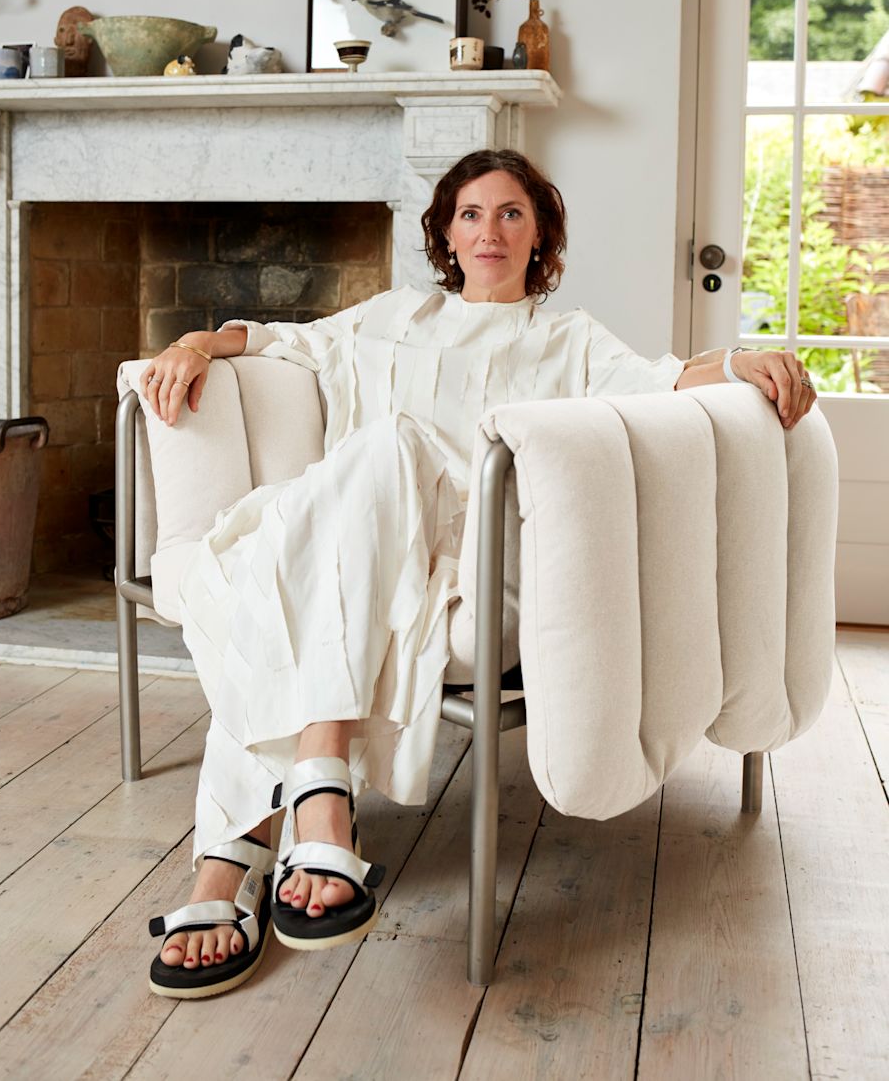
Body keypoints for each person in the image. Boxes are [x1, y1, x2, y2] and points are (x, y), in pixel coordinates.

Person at [139, 148, 817, 998]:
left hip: (463, 558)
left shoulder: (566, 340)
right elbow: (279, 342)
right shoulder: (388, 317)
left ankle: (227, 868)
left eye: (510, 215)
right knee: (344, 506)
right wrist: (194, 343)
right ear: (446, 235)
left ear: (540, 238)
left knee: (378, 464)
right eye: (470, 214)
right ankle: (312, 789)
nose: (487, 230)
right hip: (342, 543)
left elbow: (664, 380)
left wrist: (739, 360)